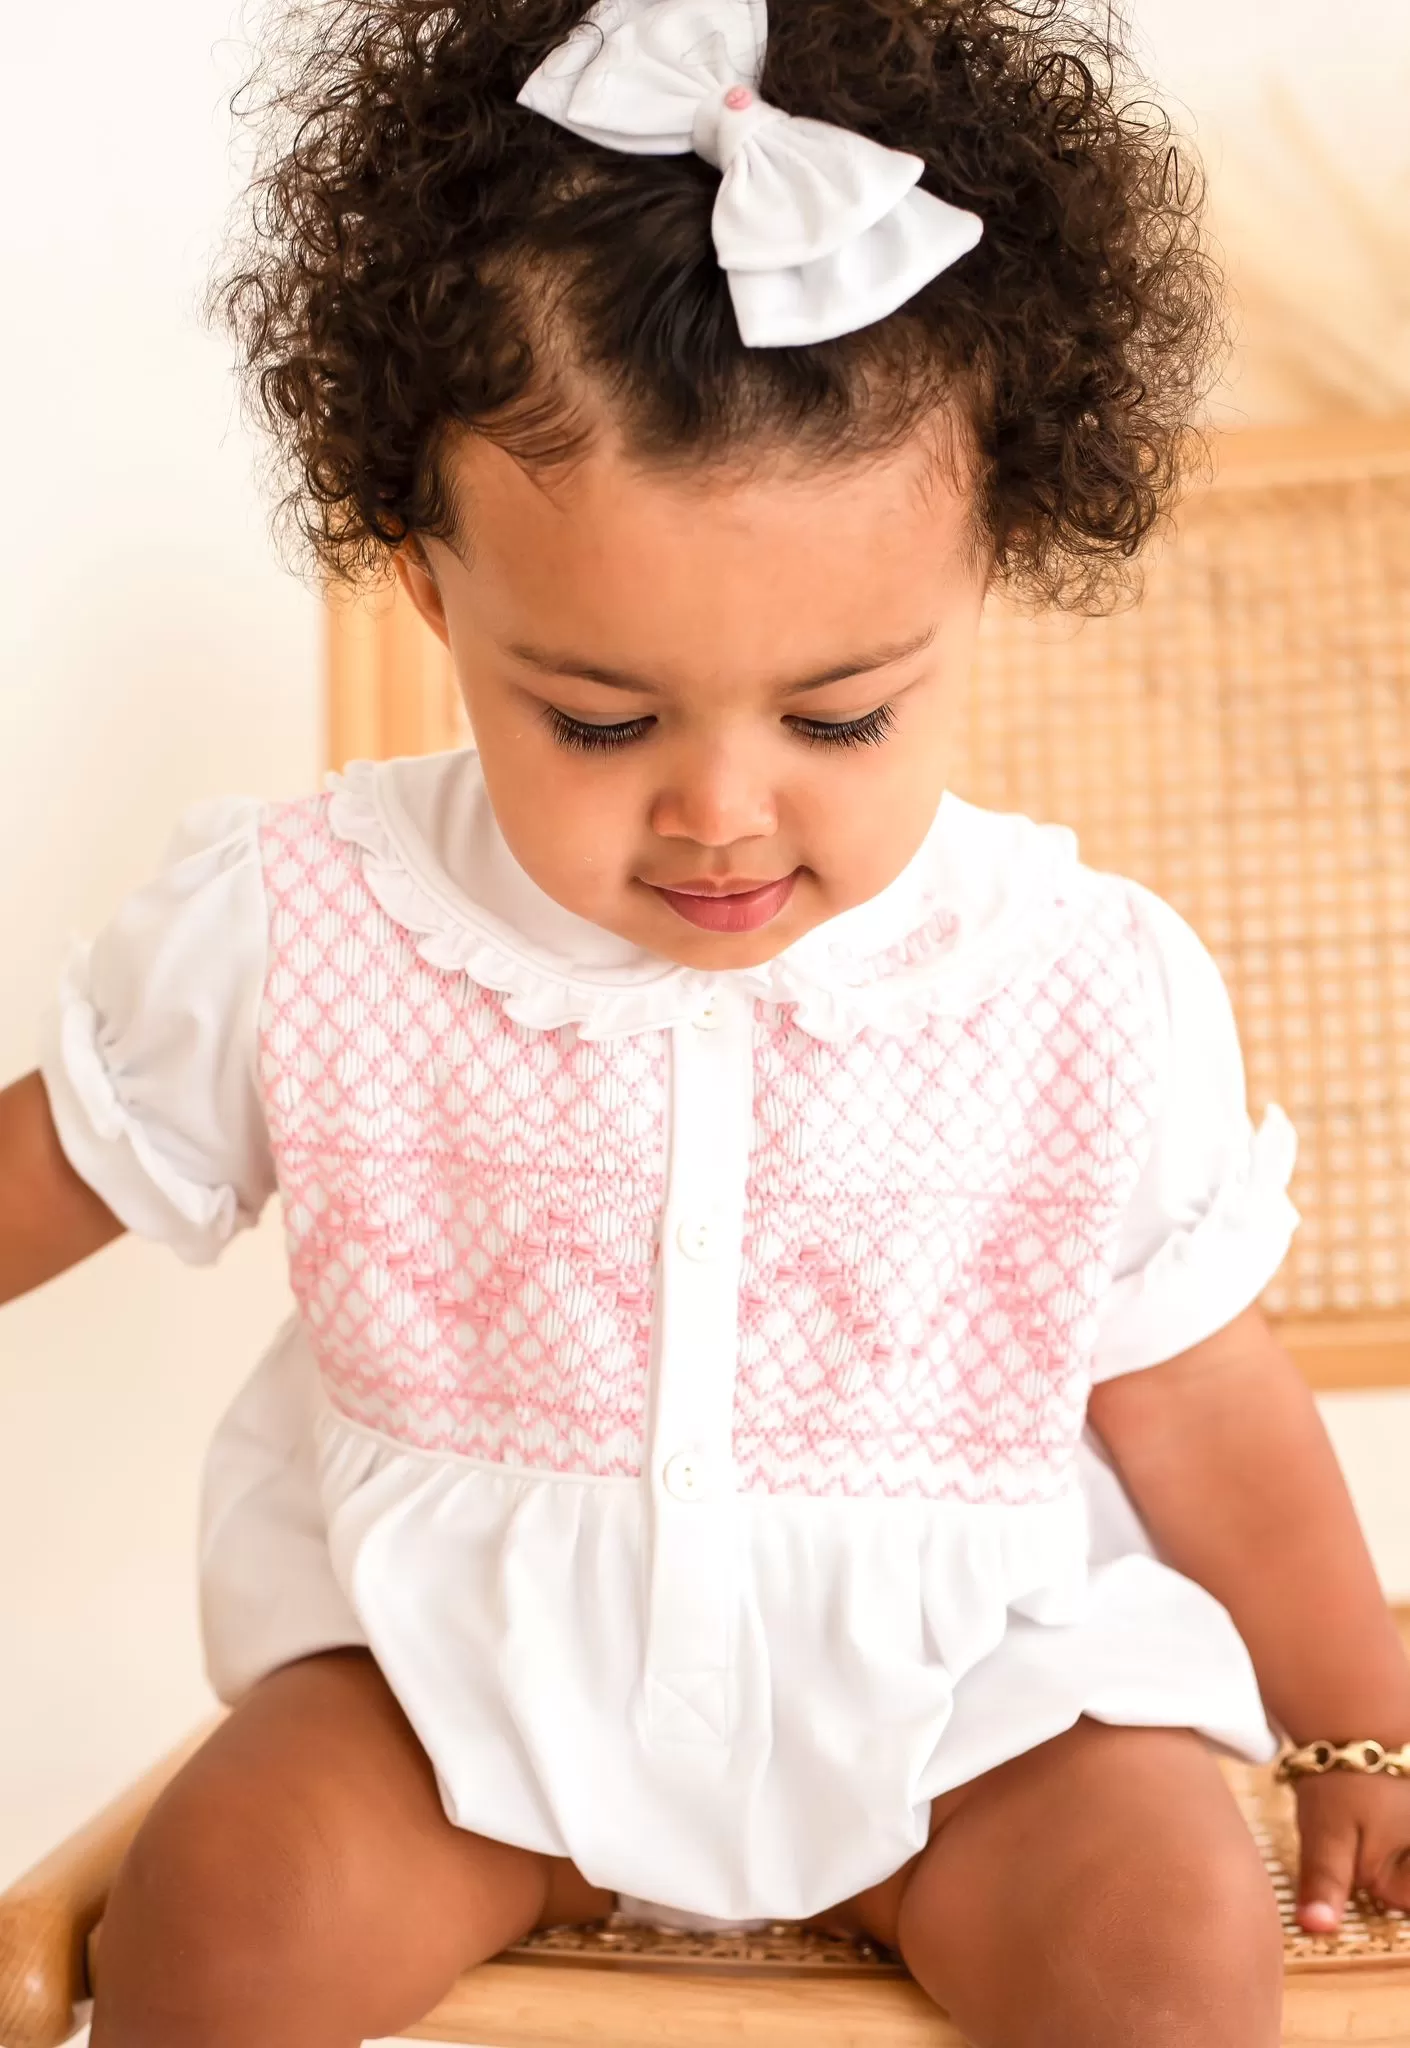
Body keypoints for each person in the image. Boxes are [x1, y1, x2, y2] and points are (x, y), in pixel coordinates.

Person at [3, 0, 1409, 2042]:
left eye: (844, 713)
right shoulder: (314, 918)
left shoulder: (1073, 983)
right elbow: (52, 1161)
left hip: (967, 1718)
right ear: (429, 587)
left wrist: (1356, 1716)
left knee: (1161, 1932)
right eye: (597, 717)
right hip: (450, 1694)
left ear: (986, 570)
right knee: (224, 1919)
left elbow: (1198, 1398)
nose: (724, 810)